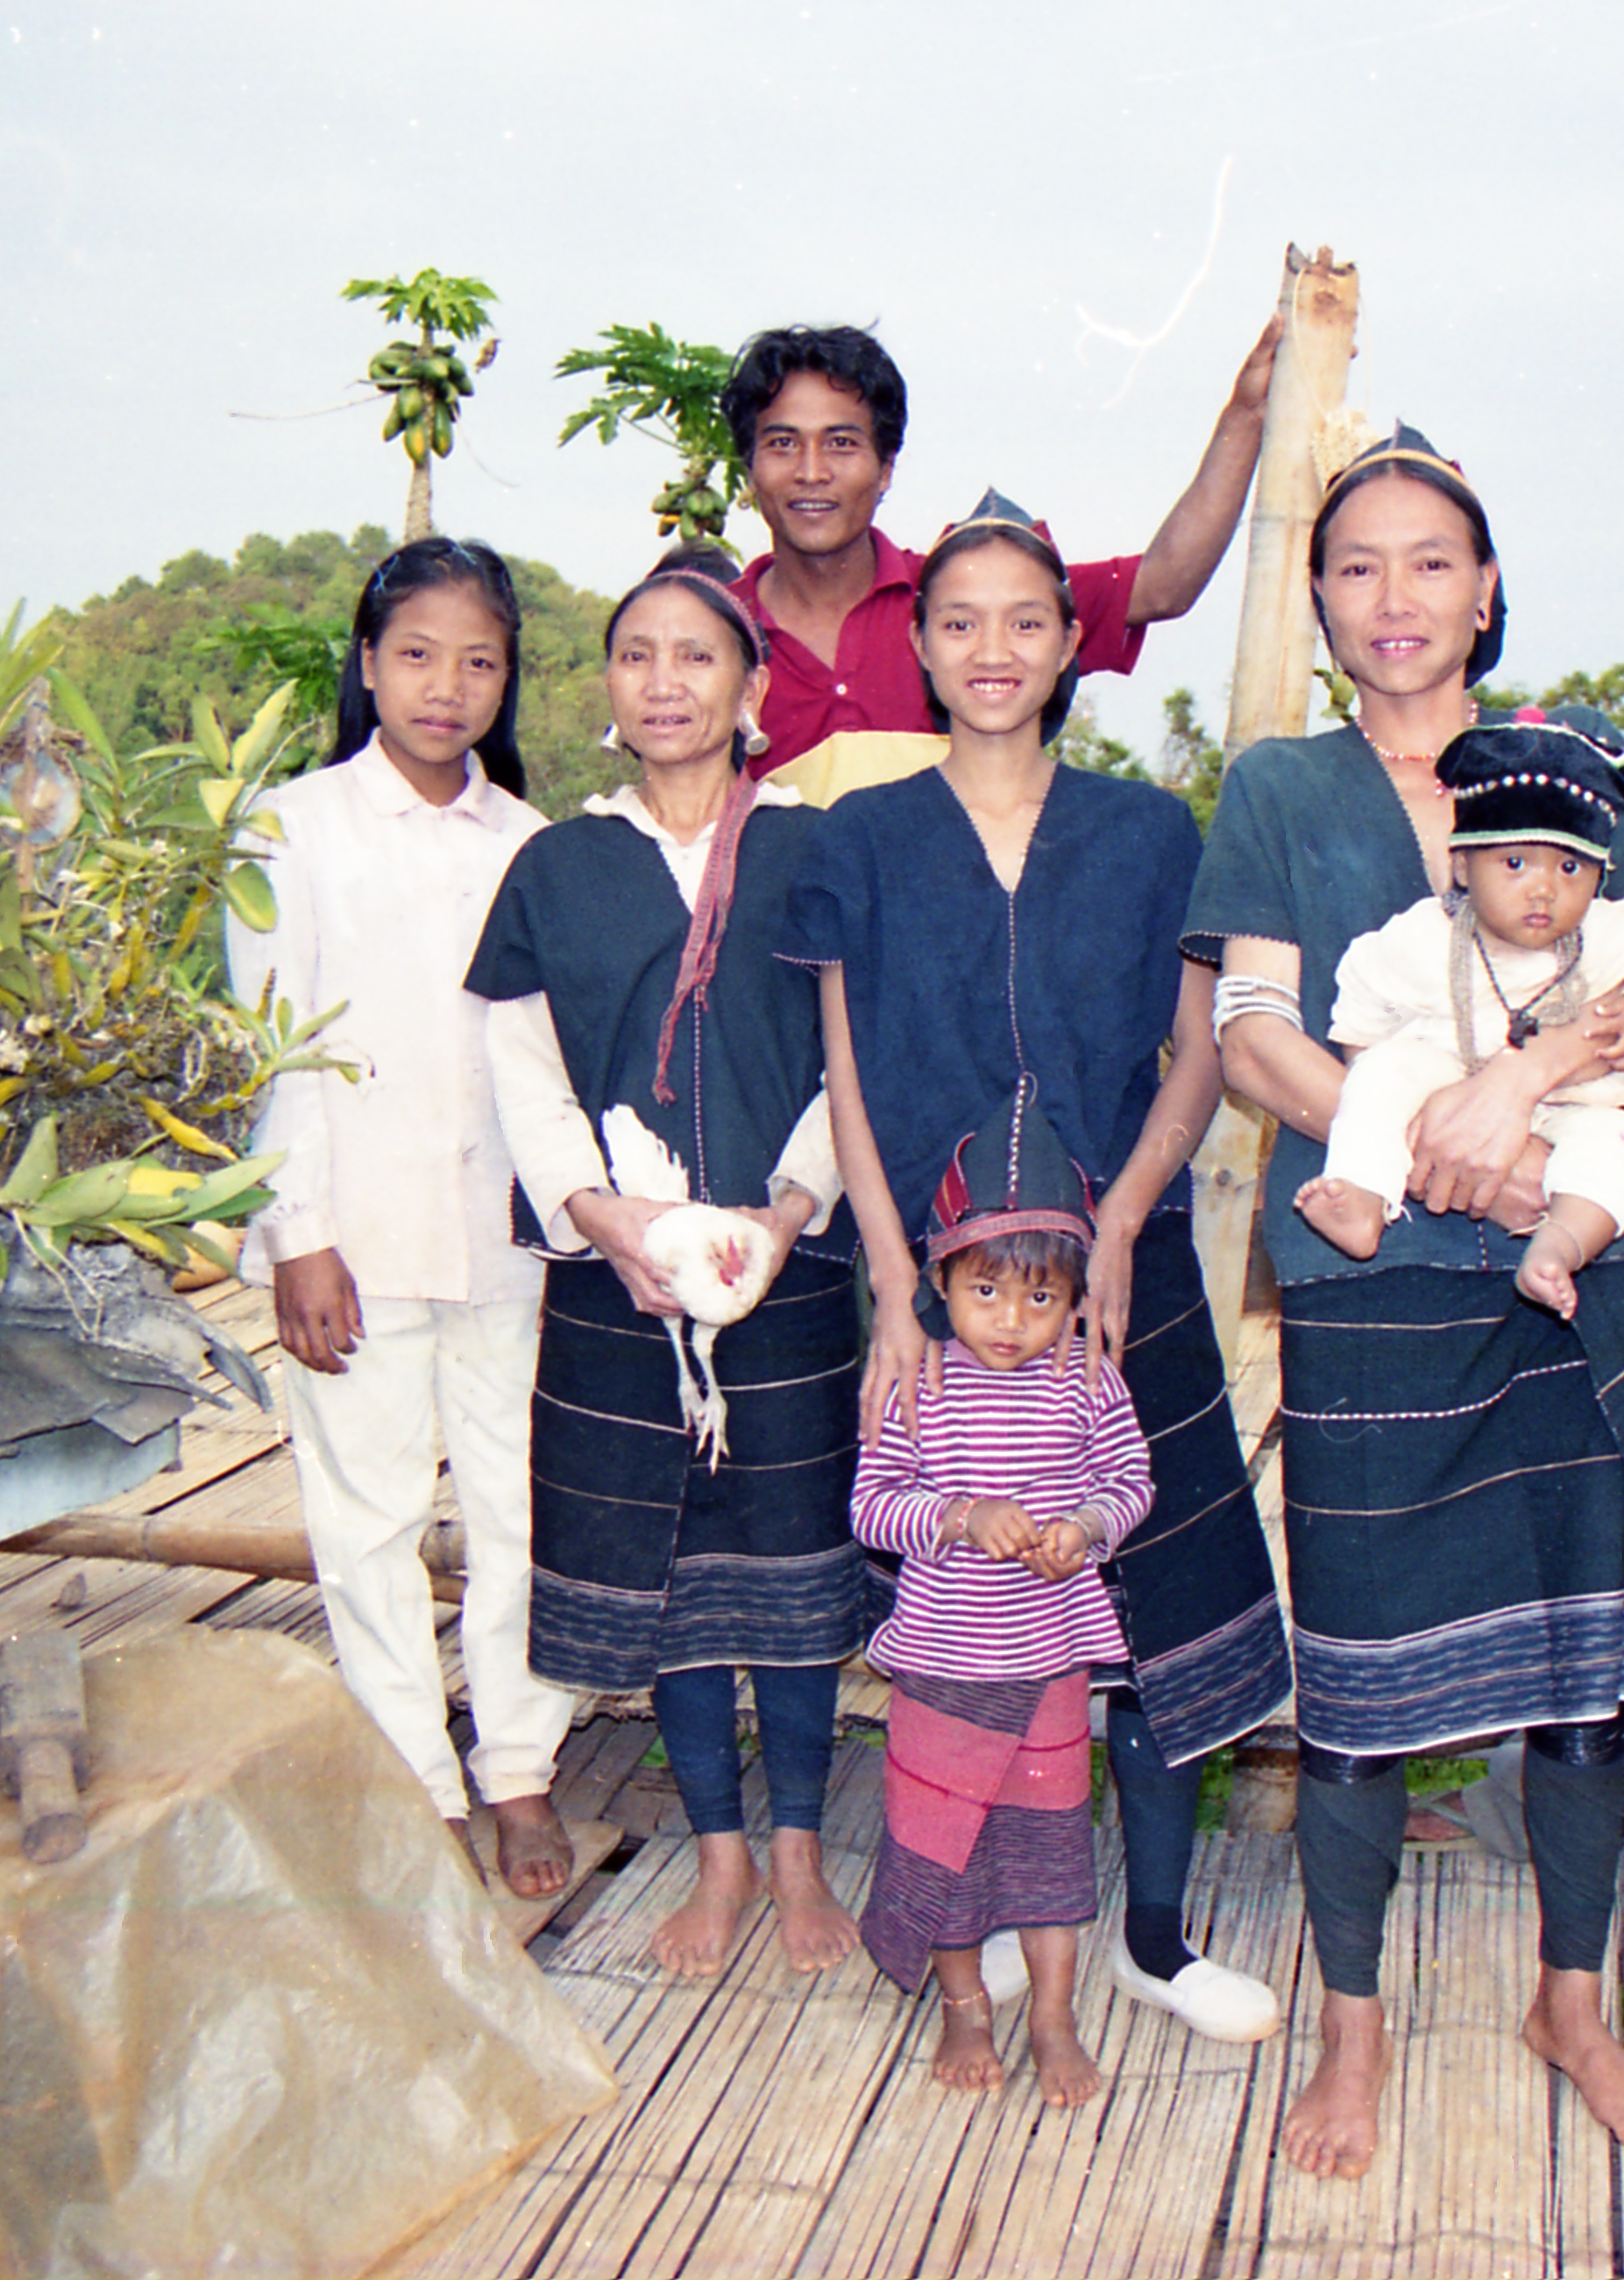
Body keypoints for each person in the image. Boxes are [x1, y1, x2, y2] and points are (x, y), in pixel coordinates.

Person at [1187, 427, 1624, 2177]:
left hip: (1572, 1271)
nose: (1394, 595)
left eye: (1430, 559)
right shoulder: (1280, 787)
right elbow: (1247, 1027)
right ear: (1321, 599)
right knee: (1354, 1675)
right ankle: (1353, 2023)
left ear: (1486, 585)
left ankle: (1570, 1992)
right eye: (1356, 564)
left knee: (1581, 1662)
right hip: (1372, 1278)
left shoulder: (1579, 759)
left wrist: (1534, 1074)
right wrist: (1425, 1129)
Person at [788, 492, 1289, 2044]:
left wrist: (1135, 1208)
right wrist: (889, 1278)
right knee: (965, 1603)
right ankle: (994, 1905)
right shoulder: (862, 835)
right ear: (919, 646)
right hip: (944, 1284)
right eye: (958, 621)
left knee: (1157, 1586)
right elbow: (848, 1069)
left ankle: (1147, 1929)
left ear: (1076, 642)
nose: (992, 649)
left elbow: (1197, 1048)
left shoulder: (1147, 831)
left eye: (1025, 619)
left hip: (1117, 1259)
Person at [467, 552, 867, 1980]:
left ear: (754, 687)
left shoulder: (819, 848)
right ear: (608, 685)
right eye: (637, 653)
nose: (666, 680)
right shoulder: (559, 864)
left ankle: (809, 1847)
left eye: (699, 655)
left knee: (796, 1569)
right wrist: (603, 1217)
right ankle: (720, 1852)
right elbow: (519, 1061)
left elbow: (850, 1051)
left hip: (791, 1260)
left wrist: (788, 1205)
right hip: (616, 1274)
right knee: (684, 1575)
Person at [230, 536, 579, 1900]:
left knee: (515, 1507)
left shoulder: (533, 845)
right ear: (368, 663)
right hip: (354, 1241)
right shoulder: (292, 827)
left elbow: (546, 1058)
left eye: (479, 659)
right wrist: (295, 1235)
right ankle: (413, 1777)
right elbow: (273, 1047)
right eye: (418, 653)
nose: (447, 685)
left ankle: (518, 1767)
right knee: (366, 1517)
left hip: (506, 1235)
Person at [850, 1088, 1152, 2108]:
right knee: (945, 1839)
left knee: (1050, 1840)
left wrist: (1091, 1527)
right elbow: (873, 1505)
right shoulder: (916, 1378)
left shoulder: (1089, 1380)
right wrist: (957, 1514)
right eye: (985, 1291)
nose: (1011, 1321)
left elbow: (1132, 1480)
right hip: (943, 1663)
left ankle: (1054, 2015)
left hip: (1051, 1662)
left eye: (1038, 1299)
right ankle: (964, 2003)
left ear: (1075, 1300)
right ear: (940, 1279)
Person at [716, 321, 1277, 795]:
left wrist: (1245, 418)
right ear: (750, 466)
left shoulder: (966, 601)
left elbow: (1162, 586)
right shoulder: (710, 631)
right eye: (782, 443)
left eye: (841, 443)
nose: (811, 471)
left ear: (886, 468)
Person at [1294, 711, 1624, 1319]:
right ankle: (1364, 1195)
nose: (1543, 889)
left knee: (1622, 1143)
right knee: (1380, 1077)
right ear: (1463, 867)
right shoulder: (1423, 936)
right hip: (1445, 1074)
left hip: (1578, 1102)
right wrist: (1382, 1076)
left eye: (1569, 868)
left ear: (1600, 875)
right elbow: (1361, 993)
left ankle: (1559, 1245)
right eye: (1515, 864)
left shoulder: (1608, 931)